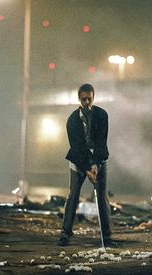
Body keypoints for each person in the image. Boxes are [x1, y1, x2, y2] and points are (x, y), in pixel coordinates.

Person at [58, 83, 117, 247]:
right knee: (73, 195)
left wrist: (95, 165)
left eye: (89, 99)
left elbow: (100, 142)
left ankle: (107, 235)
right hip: (79, 160)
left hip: (99, 159)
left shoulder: (102, 115)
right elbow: (77, 147)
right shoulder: (72, 121)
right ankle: (65, 232)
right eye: (83, 99)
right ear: (79, 99)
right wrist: (87, 168)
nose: (86, 103)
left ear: (93, 97)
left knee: (102, 197)